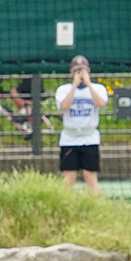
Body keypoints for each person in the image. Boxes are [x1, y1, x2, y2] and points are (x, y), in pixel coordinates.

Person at [55, 55, 108, 193]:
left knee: (90, 176)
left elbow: (101, 104)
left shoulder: (98, 88)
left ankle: (95, 206)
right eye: (77, 70)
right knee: (68, 178)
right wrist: (74, 86)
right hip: (69, 139)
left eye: (82, 70)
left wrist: (89, 84)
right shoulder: (63, 89)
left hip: (89, 138)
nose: (80, 73)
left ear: (88, 70)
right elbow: (64, 106)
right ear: (71, 72)